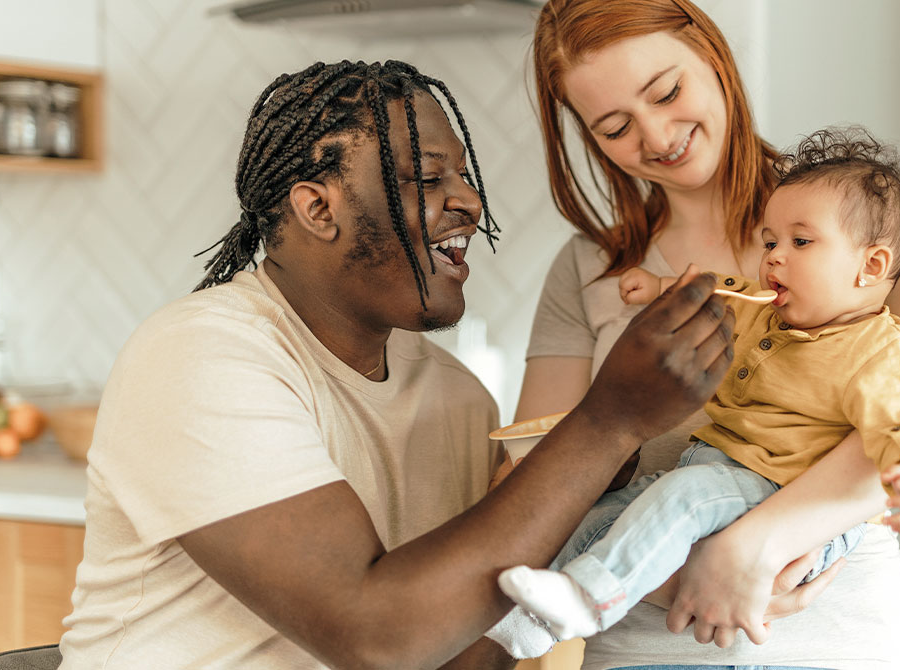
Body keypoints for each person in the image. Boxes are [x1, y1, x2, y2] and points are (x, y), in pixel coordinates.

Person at [56, 59, 739, 670]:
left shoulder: (458, 400)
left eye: (464, 175)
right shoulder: (203, 355)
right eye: (427, 178)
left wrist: (586, 479)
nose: (469, 200)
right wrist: (605, 424)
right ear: (318, 208)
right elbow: (374, 639)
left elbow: (460, 652)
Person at [504, 1, 900, 667]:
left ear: (713, 55)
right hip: (651, 650)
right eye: (615, 126)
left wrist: (754, 548)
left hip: (840, 640)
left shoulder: (854, 216)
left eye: (667, 91)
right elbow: (536, 483)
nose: (656, 136)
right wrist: (680, 578)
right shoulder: (591, 268)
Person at [494, 128, 900, 652]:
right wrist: (659, 290)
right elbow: (719, 295)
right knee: (604, 510)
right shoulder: (766, 311)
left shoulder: (883, 349)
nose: (775, 257)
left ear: (871, 265)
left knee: (682, 496)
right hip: (718, 475)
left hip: (781, 492)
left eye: (801, 242)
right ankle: (535, 622)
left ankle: (589, 600)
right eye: (770, 242)